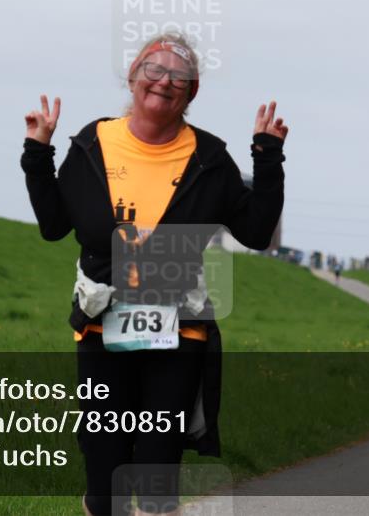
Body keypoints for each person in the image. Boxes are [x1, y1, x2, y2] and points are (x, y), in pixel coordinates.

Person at [21, 32, 287, 516]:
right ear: (133, 76)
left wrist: (268, 161)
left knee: (158, 467)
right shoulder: (92, 144)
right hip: (102, 326)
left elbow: (255, 231)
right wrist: (38, 153)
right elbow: (54, 225)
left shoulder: (209, 159)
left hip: (177, 331)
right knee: (104, 468)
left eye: (179, 76)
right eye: (154, 69)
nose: (164, 81)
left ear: (192, 92)